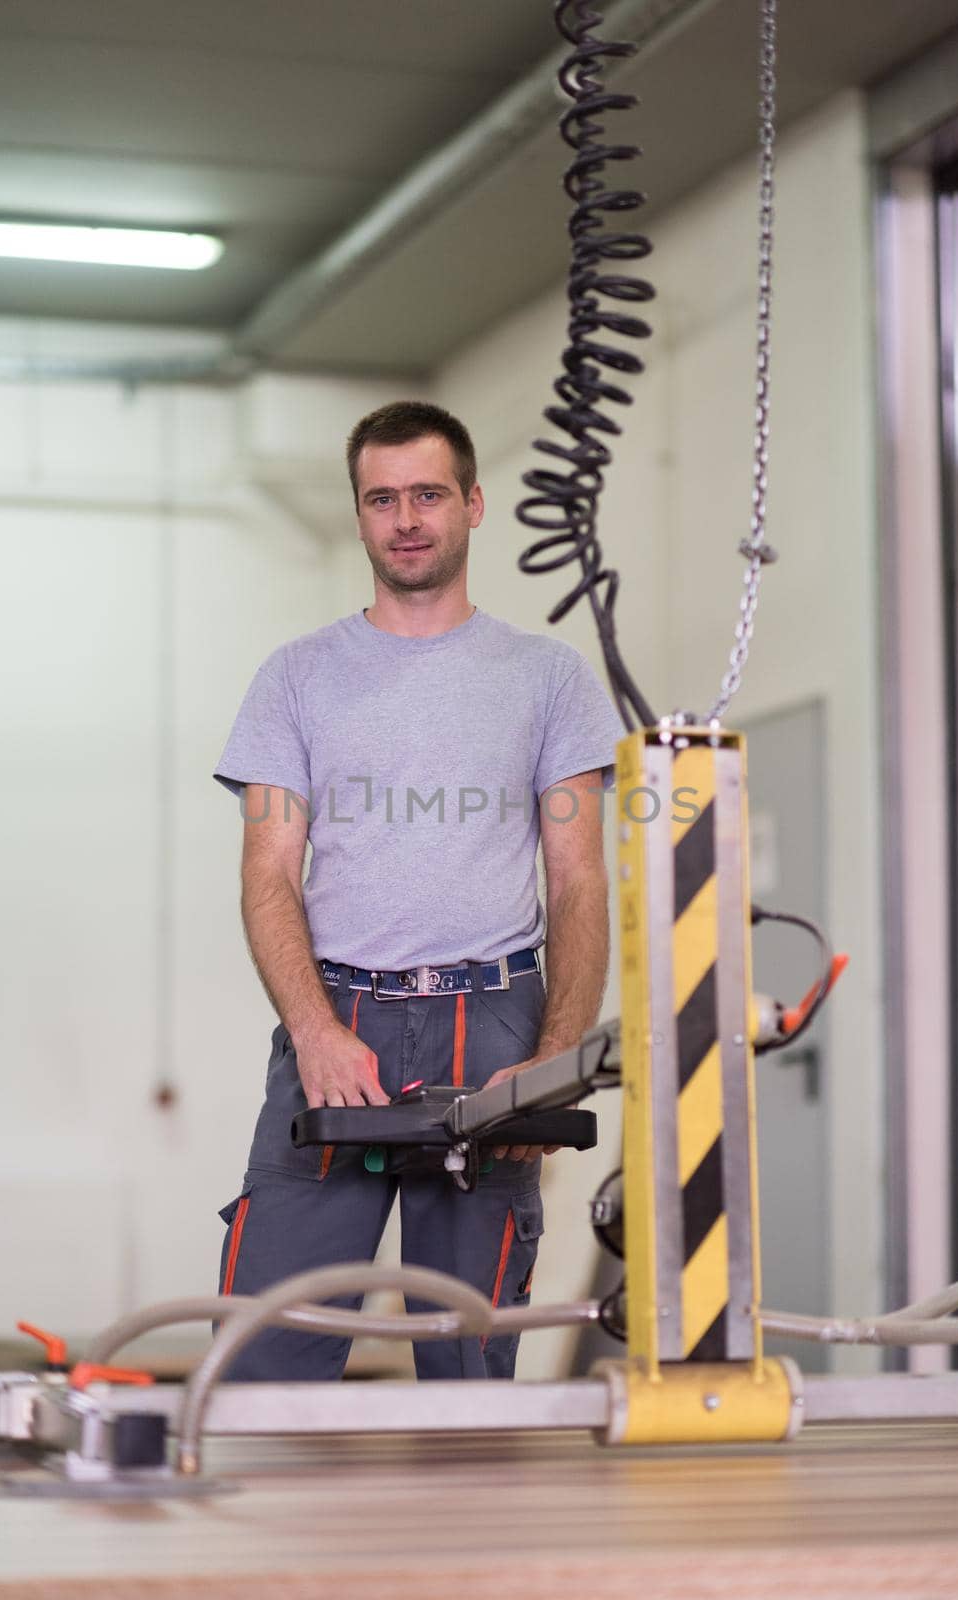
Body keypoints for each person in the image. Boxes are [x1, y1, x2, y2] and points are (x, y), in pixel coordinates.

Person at [213, 399, 624, 1381]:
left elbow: (577, 882)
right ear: (358, 516)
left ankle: (480, 1538)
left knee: (471, 1355)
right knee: (271, 1348)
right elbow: (267, 872)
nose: (406, 517)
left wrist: (556, 1057)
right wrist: (313, 1029)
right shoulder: (295, 678)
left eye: (428, 494)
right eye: (383, 498)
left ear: (473, 504)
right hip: (338, 1018)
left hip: (492, 1024)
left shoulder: (549, 679)